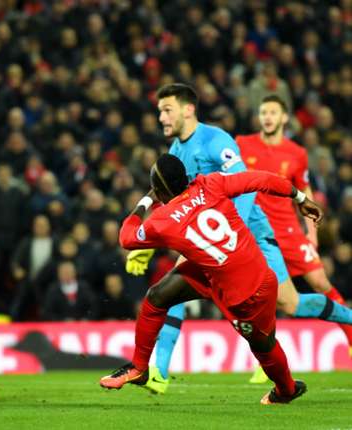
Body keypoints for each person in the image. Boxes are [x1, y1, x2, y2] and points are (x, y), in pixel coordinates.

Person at [131, 83, 352, 393]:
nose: (161, 118)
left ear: (188, 109)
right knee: (173, 285)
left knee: (291, 303)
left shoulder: (215, 140)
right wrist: (150, 245)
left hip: (251, 235)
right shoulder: (176, 151)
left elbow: (245, 186)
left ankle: (349, 319)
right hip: (218, 240)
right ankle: (160, 372)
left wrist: (231, 235)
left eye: (167, 110)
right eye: (159, 112)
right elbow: (174, 204)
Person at [100, 153, 330, 404]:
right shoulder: (212, 183)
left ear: (159, 191)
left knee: (262, 344)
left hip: (248, 292)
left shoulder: (162, 222)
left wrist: (145, 200)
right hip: (219, 273)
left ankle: (286, 390)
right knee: (159, 295)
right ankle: (139, 368)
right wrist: (300, 197)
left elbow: (126, 237)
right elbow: (262, 179)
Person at [237, 95, 352, 380]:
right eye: (263, 112)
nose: (267, 117)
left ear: (284, 118)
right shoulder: (243, 144)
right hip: (258, 232)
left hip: (289, 230)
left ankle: (350, 336)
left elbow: (305, 191)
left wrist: (311, 230)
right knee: (266, 294)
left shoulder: (296, 153)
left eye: (273, 112)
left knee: (320, 281)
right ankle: (265, 360)